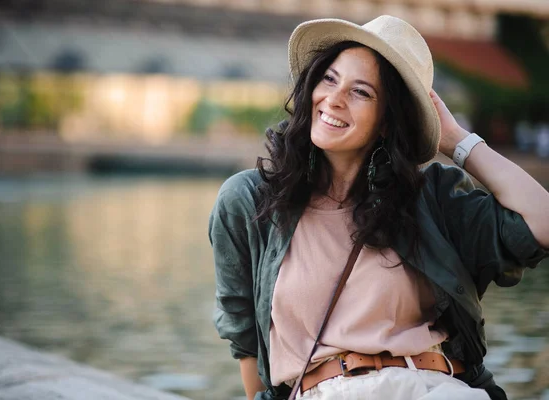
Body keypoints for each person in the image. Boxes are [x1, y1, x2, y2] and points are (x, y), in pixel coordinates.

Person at [209, 15, 549, 400]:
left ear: (386, 121)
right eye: (330, 79)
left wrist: (456, 140)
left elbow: (542, 223)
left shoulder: (431, 198)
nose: (334, 98)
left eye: (361, 92)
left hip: (435, 388)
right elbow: (244, 338)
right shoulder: (250, 201)